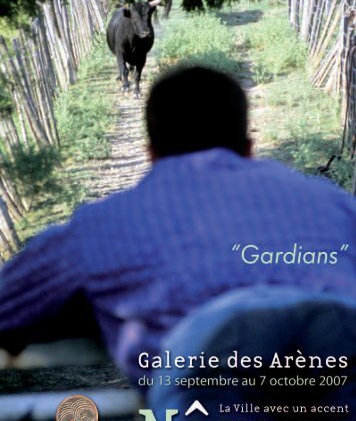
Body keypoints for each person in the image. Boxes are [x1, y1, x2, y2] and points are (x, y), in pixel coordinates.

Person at [0, 65, 355, 383]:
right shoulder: (336, 205)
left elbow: (8, 306)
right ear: (249, 148)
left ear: (151, 154)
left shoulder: (99, 228)